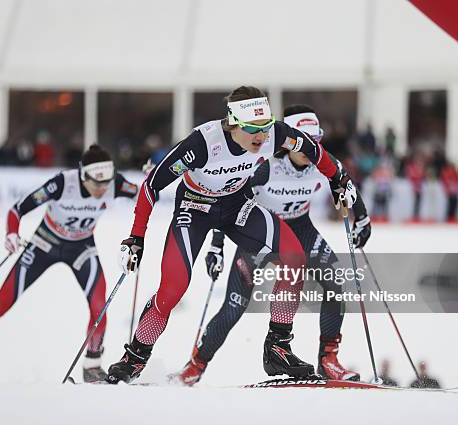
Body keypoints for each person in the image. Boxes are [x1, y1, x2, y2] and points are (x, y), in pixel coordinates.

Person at [107, 86, 358, 384]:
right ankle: (135, 357)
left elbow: (314, 151)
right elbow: (151, 186)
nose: (262, 136)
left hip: (236, 205)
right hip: (195, 208)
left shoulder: (275, 134)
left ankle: (277, 347)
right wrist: (136, 238)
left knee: (294, 257)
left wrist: (338, 179)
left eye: (265, 127)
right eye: (253, 128)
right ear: (233, 123)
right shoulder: (202, 144)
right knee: (173, 289)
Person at [173, 105, 371, 385]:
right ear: (288, 140)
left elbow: (346, 183)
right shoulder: (264, 167)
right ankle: (196, 364)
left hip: (300, 229)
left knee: (336, 283)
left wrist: (362, 220)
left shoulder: (322, 162)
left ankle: (328, 360)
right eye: (305, 140)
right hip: (260, 235)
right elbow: (226, 200)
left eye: (316, 140)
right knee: (233, 307)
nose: (310, 148)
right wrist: (216, 245)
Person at [0, 145, 138, 382]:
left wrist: (148, 177)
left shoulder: (115, 183)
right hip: (44, 244)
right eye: (97, 184)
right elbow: (17, 210)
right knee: (0, 304)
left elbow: (143, 192)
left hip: (81, 248)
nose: (103, 189)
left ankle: (92, 365)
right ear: (83, 176)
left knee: (99, 306)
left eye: (106, 183)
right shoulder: (63, 183)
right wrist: (12, 234)